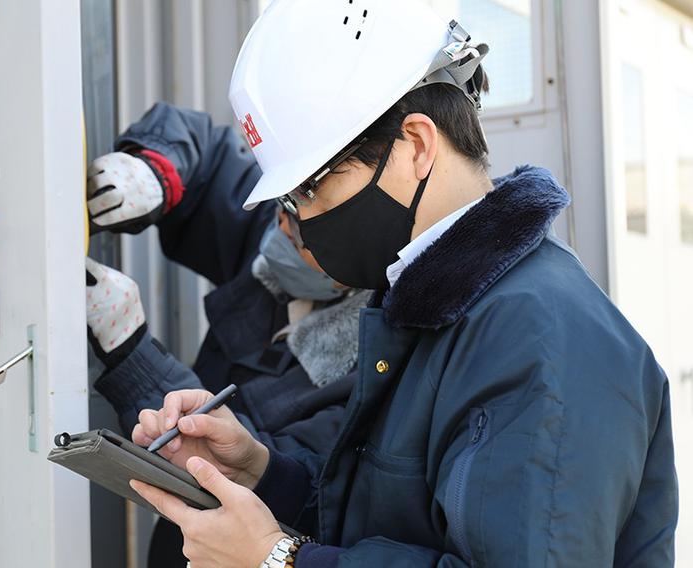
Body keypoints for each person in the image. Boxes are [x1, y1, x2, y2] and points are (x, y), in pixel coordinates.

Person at [128, 1, 679, 566]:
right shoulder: (429, 311)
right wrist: (261, 472)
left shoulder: (545, 338)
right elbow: (394, 518)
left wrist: (279, 559)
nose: (303, 222)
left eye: (312, 187)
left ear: (416, 145)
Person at [84, 102, 371, 566]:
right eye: (284, 207)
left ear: (352, 267)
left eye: (298, 230)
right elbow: (208, 151)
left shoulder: (374, 366)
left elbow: (276, 478)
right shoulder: (290, 240)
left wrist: (131, 349)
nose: (279, 230)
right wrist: (155, 171)